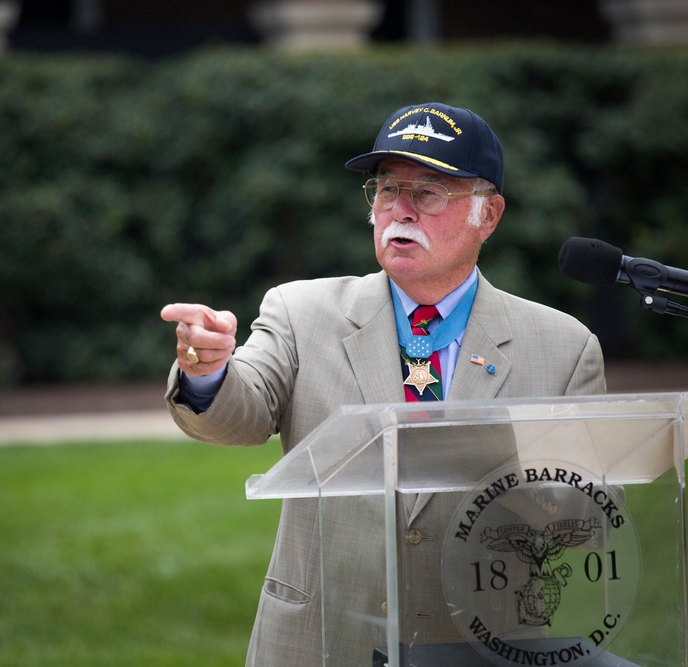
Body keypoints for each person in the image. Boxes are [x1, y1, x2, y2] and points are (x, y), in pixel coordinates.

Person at [160, 102, 606, 666]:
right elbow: (240, 414)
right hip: (321, 641)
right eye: (387, 189)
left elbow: (587, 516)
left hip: (481, 647)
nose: (399, 211)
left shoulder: (564, 347)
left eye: (428, 193)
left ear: (487, 215)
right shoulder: (301, 311)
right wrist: (208, 372)